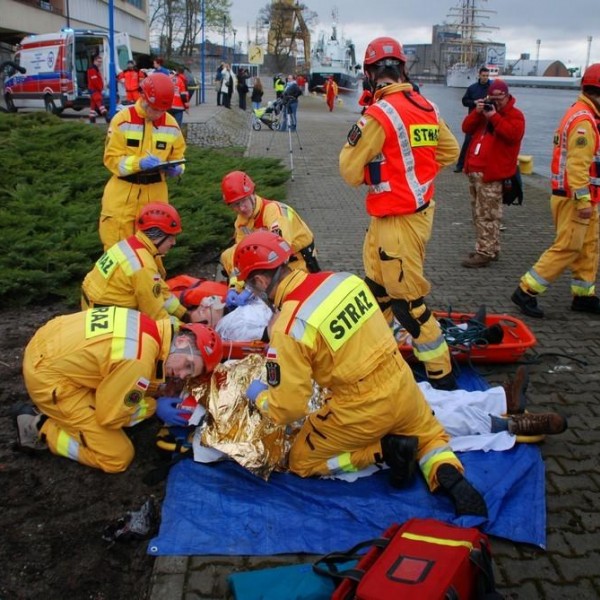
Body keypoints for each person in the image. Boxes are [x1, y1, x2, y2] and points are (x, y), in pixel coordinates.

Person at [235, 231, 488, 517]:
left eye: (252, 288)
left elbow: (289, 408)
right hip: (403, 384)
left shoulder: (289, 327)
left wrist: (261, 398)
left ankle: (383, 451)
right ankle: (447, 472)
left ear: (260, 281)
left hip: (361, 408)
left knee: (300, 461)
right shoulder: (344, 280)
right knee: (430, 436)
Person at [339, 36, 459, 391]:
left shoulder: (379, 114)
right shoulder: (427, 106)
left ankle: (441, 375)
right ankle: (376, 356)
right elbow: (449, 152)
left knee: (408, 304)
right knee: (377, 291)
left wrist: (384, 172)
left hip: (396, 222)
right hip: (408, 216)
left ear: (370, 73)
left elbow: (348, 170)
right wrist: (411, 173)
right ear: (402, 68)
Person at [13, 311, 222, 473]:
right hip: (49, 379)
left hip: (52, 342)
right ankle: (39, 426)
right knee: (117, 457)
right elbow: (109, 417)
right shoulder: (139, 361)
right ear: (182, 341)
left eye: (189, 373)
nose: (182, 375)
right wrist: (153, 406)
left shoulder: (152, 328)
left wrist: (156, 389)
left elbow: (124, 370)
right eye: (188, 365)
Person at [512, 64, 600, 318]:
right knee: (568, 247)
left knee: (588, 246)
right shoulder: (584, 121)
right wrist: (583, 200)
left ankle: (583, 295)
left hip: (584, 197)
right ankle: (525, 291)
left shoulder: (585, 115)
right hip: (575, 199)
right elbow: (578, 165)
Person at [100, 72, 186, 250]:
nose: (157, 114)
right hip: (121, 196)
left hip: (156, 195)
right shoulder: (122, 120)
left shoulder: (171, 125)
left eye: (162, 110)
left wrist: (177, 169)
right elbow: (111, 160)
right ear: (143, 97)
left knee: (153, 251)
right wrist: (139, 163)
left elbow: (179, 157)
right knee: (116, 250)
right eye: (154, 109)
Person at [219, 170, 320, 306]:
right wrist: (234, 287)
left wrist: (250, 289)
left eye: (243, 201)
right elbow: (241, 258)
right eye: (236, 205)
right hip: (272, 266)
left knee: (285, 302)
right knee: (228, 255)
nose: (242, 208)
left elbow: (280, 256)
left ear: (252, 194)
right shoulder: (241, 222)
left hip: (296, 263)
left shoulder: (274, 212)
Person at [81, 202, 190, 324]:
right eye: (171, 237)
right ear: (158, 237)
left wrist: (183, 314)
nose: (174, 243)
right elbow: (156, 316)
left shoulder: (131, 244)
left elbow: (160, 291)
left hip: (93, 308)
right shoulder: (144, 265)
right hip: (106, 318)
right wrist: (187, 327)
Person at [460, 79, 525, 268]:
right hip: (475, 171)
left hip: (492, 173)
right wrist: (478, 112)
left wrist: (494, 116)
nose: (496, 102)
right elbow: (466, 128)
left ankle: (485, 252)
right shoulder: (484, 114)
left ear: (507, 96)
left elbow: (513, 135)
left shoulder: (515, 115)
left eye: (499, 98)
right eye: (492, 98)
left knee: (487, 214)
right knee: (478, 213)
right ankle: (489, 247)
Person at [454, 67, 492, 173]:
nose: (485, 78)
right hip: (474, 119)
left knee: (487, 144)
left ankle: (484, 166)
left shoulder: (492, 88)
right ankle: (460, 165)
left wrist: (489, 101)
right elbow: (464, 101)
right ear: (479, 75)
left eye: (487, 76)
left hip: (488, 120)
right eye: (483, 76)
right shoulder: (472, 88)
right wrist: (475, 102)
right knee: (467, 142)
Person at [87, 53, 108, 124]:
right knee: (100, 104)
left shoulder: (95, 69)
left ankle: (92, 119)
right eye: (98, 62)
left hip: (94, 89)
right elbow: (95, 81)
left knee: (93, 105)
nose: (100, 63)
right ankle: (107, 117)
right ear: (94, 61)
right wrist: (100, 88)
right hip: (95, 89)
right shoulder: (93, 69)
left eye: (101, 62)